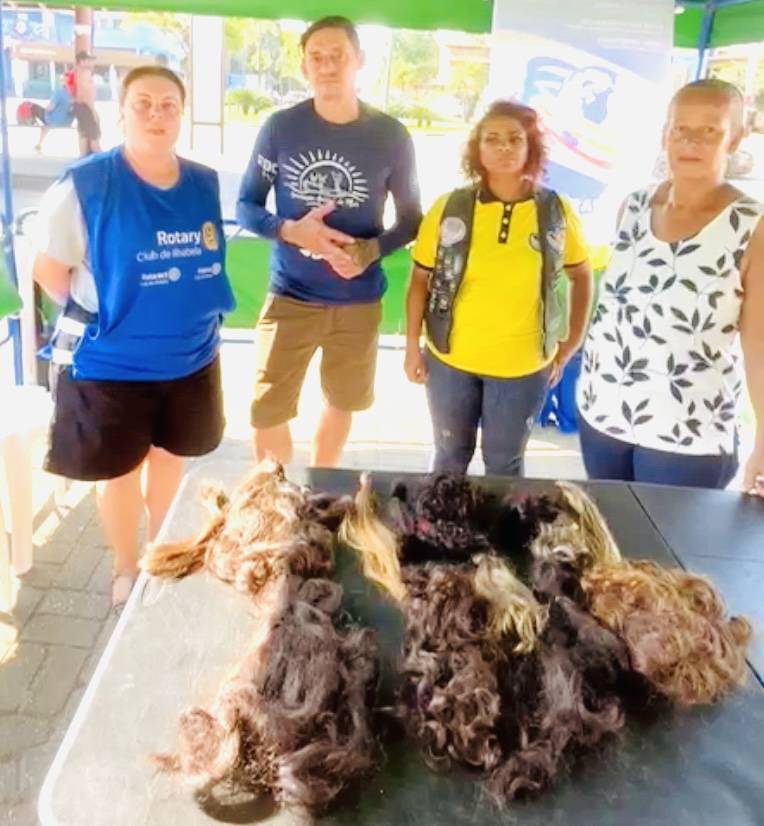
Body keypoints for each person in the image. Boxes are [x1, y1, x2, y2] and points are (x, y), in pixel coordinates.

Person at [31, 66, 236, 607]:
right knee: (119, 472)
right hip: (112, 367)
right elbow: (50, 270)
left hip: (190, 359)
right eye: (143, 102)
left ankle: (162, 552)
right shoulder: (88, 184)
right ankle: (125, 568)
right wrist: (100, 320)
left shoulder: (201, 181)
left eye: (168, 104)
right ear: (121, 110)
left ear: (181, 114)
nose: (156, 114)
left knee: (169, 459)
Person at [236, 15, 421, 468]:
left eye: (337, 55)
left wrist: (368, 251)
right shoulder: (280, 128)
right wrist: (288, 230)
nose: (327, 65)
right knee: (266, 411)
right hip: (289, 296)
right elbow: (246, 205)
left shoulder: (391, 135)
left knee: (342, 402)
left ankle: (322, 485)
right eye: (316, 57)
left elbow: (412, 219)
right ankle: (276, 496)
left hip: (357, 300)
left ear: (359, 61)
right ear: (304, 68)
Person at [577, 79, 764, 495]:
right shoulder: (634, 205)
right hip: (602, 413)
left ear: (735, 137)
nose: (691, 142)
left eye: (709, 130)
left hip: (687, 434)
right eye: (681, 129)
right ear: (665, 134)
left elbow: (760, 348)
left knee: (668, 556)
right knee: (610, 545)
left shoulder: (752, 226)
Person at [405, 100, 593, 477]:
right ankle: (438, 533)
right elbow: (420, 282)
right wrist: (412, 346)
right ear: (478, 149)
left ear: (531, 147)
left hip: (523, 367)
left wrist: (569, 345)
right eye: (492, 139)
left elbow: (582, 275)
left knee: (504, 466)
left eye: (514, 139)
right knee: (448, 458)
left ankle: (500, 535)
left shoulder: (555, 211)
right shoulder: (450, 208)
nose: (504, 148)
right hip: (449, 360)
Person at [31, 74, 75, 152]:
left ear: (65, 82)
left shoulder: (59, 92)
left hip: (52, 120)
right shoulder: (76, 94)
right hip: (66, 123)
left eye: (62, 80)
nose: (61, 81)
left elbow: (50, 108)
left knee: (33, 107)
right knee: (46, 125)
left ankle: (33, 124)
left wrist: (46, 109)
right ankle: (39, 143)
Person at [72, 50, 102, 156]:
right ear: (81, 62)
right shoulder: (85, 73)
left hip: (80, 107)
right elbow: (86, 94)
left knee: (84, 135)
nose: (90, 63)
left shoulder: (77, 73)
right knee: (93, 137)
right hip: (86, 107)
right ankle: (102, 162)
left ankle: (83, 159)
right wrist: (93, 111)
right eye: (87, 60)